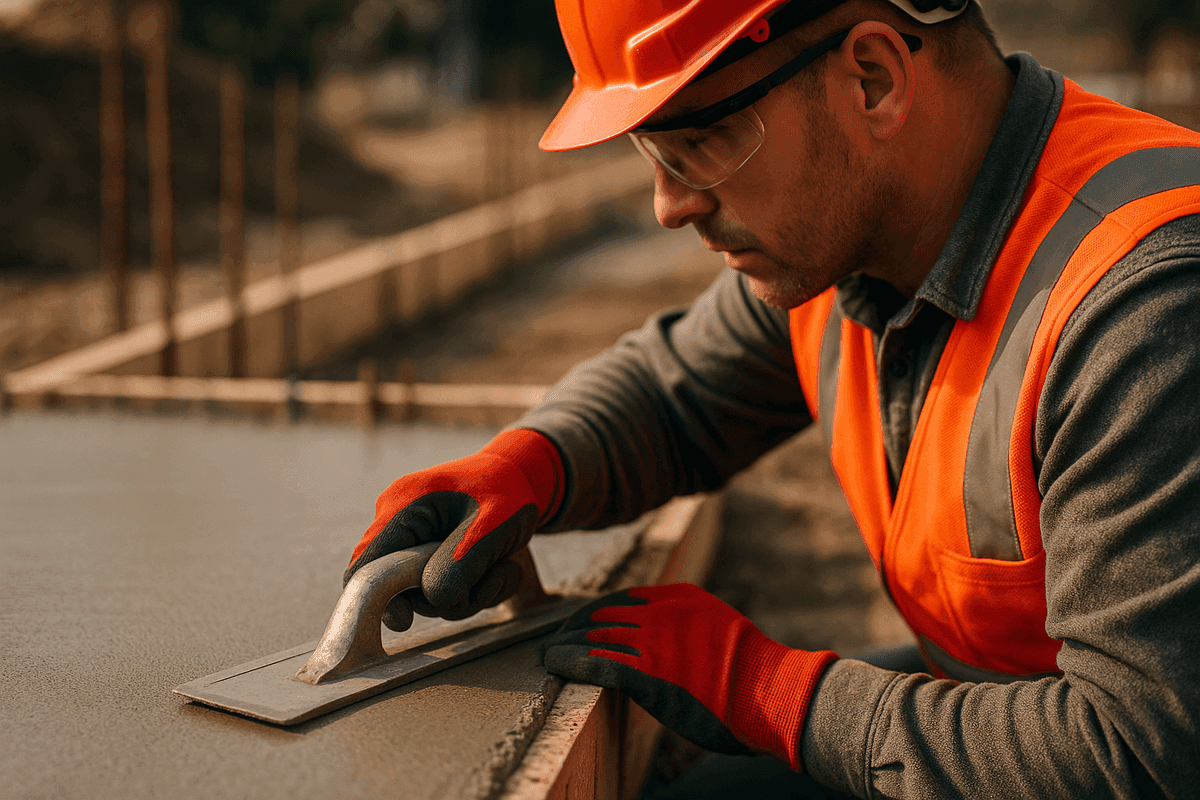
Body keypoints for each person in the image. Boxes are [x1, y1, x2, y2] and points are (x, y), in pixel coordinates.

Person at [344, 0, 1200, 796]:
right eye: (652, 154)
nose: (669, 206)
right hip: (994, 696)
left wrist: (767, 690)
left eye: (701, 140)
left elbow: (1140, 749)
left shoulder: (1144, 311)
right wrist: (528, 465)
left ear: (873, 78)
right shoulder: (857, 239)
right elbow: (676, 392)